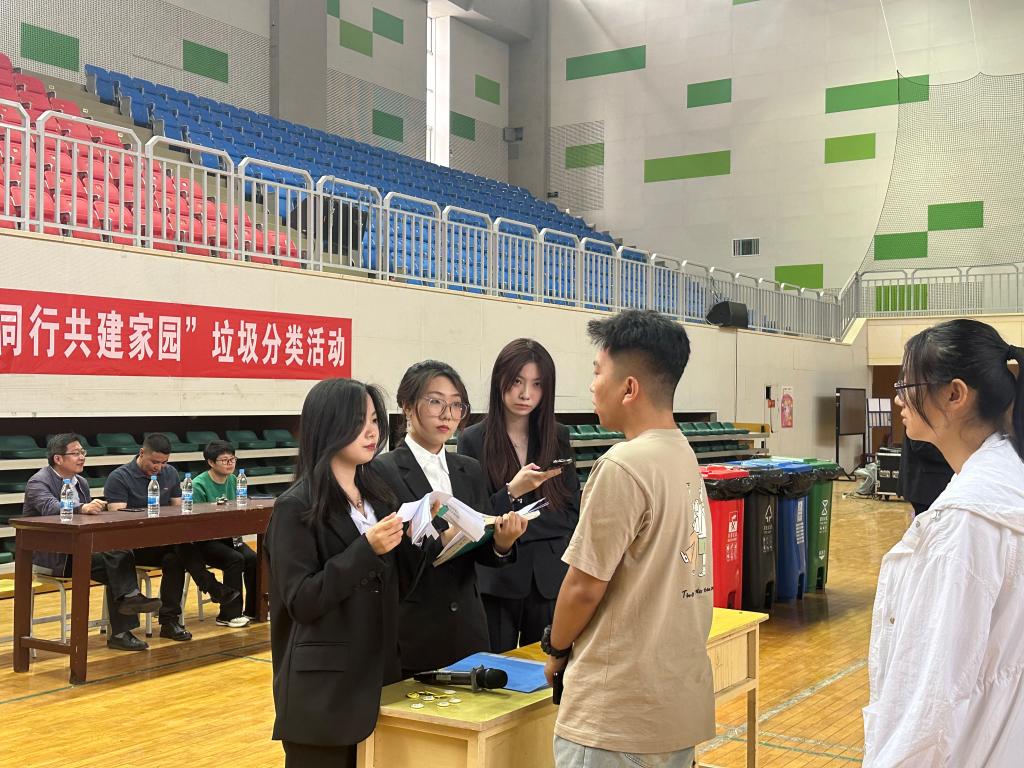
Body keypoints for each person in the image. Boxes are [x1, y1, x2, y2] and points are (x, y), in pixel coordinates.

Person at [544, 310, 714, 768]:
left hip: (616, 716)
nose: (592, 386)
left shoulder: (623, 464)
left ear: (629, 387)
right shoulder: (682, 453)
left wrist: (556, 648)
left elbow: (584, 586)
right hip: (673, 708)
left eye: (598, 372)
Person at [864, 319, 1024, 766]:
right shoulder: (1006, 479)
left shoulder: (963, 524)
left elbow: (930, 700)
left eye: (907, 385)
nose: (899, 398)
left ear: (955, 394)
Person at [267, 378, 424, 768]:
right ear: (328, 424)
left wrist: (422, 538)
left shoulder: (380, 497)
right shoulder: (295, 507)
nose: (371, 432)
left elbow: (398, 586)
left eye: (374, 420)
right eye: (358, 421)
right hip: (324, 693)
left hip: (380, 678)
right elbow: (302, 600)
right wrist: (366, 549)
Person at [373, 359, 528, 676]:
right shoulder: (382, 471)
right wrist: (438, 540)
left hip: (468, 626)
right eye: (435, 402)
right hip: (414, 627)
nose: (447, 414)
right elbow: (387, 558)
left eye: (457, 405)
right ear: (407, 405)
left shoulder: (468, 468)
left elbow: (481, 549)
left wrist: (502, 543)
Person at [457, 338, 581, 651]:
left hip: (549, 578)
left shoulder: (558, 436)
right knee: (497, 668)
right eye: (516, 381)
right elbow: (476, 517)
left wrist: (513, 526)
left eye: (537, 384)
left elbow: (570, 514)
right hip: (497, 579)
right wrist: (512, 492)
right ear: (500, 380)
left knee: (547, 667)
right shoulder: (473, 439)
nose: (526, 394)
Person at [22, 434, 161, 651]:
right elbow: (50, 508)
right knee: (118, 565)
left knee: (120, 561)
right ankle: (126, 616)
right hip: (54, 556)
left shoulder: (81, 482)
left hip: (81, 550)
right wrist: (82, 508)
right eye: (76, 453)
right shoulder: (38, 482)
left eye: (83, 452)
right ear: (58, 458)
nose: (82, 457)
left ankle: (124, 621)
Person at [104, 433, 239, 641]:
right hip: (131, 548)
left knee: (175, 557)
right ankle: (209, 585)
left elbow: (178, 512)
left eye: (164, 462)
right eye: (154, 462)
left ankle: (169, 622)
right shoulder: (119, 477)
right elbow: (118, 520)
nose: (159, 467)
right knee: (180, 548)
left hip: (163, 542)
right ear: (142, 453)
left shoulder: (170, 473)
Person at [192, 440, 258, 627]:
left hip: (230, 537)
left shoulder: (235, 480)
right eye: (224, 460)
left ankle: (254, 610)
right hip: (205, 541)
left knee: (253, 559)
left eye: (232, 459)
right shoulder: (198, 485)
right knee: (235, 559)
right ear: (211, 462)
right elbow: (196, 521)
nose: (230, 464)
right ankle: (229, 614)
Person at [897, 434, 954, 516]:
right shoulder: (918, 424)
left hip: (933, 484)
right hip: (926, 485)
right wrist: (954, 452)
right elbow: (920, 446)